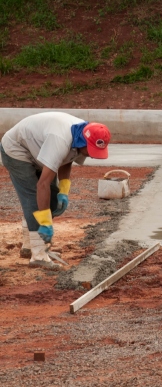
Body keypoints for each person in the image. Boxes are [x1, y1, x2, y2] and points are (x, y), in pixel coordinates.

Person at [1, 113, 111, 270]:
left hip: (38, 148)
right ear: (83, 142)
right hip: (16, 149)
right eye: (91, 150)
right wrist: (45, 223)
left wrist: (63, 191)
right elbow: (42, 185)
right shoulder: (60, 140)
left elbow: (67, 159)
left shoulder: (83, 133)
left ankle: (29, 246)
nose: (92, 156)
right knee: (34, 198)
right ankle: (38, 255)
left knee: (51, 198)